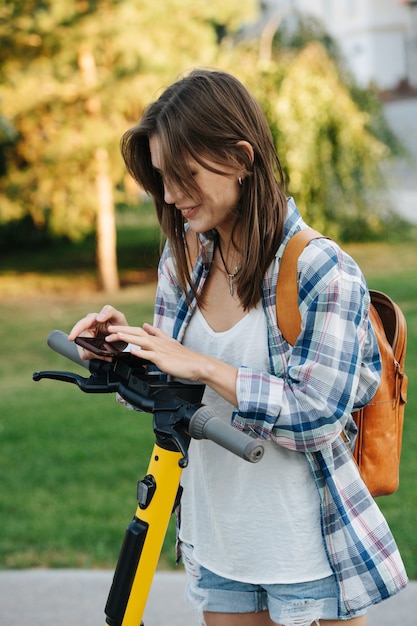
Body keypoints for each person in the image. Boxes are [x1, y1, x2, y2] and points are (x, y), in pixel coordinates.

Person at [68, 69, 408, 626]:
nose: (172, 195)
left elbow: (318, 416)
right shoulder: (185, 263)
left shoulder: (321, 269)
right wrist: (120, 355)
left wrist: (204, 364)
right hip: (219, 537)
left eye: (185, 175)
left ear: (242, 158)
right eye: (162, 178)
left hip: (304, 551)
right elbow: (169, 394)